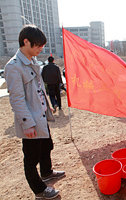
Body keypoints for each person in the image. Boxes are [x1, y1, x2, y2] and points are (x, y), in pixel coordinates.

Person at [4, 25, 65, 199]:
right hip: (30, 119)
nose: (41, 49)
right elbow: (17, 99)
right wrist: (27, 123)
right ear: (26, 42)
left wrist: (47, 104)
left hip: (40, 115)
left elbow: (38, 87)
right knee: (31, 158)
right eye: (38, 45)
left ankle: (47, 172)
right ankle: (39, 189)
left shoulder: (32, 61)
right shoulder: (14, 67)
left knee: (47, 146)